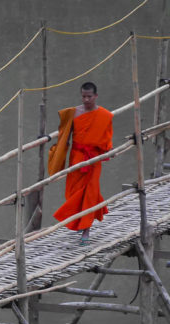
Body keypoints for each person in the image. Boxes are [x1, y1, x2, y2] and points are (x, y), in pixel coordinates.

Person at [50, 82, 113, 245]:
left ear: (96, 96)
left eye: (89, 96)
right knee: (73, 192)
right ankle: (79, 220)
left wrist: (107, 151)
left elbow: (106, 139)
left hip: (93, 159)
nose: (86, 99)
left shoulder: (105, 115)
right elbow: (63, 136)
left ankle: (86, 229)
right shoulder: (74, 113)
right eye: (83, 96)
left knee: (89, 193)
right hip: (76, 158)